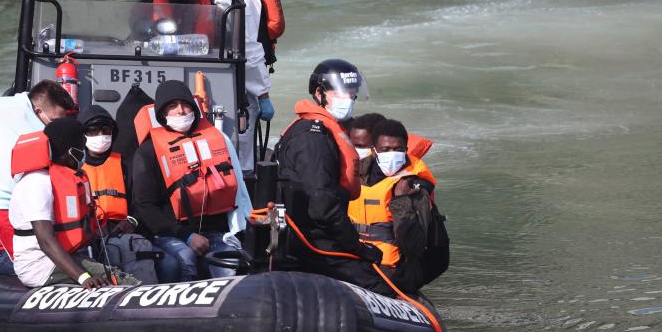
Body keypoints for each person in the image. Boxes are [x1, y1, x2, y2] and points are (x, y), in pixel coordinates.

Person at [275, 59, 388, 292]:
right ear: (319, 94)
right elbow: (322, 206)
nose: (347, 98)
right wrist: (356, 247)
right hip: (312, 242)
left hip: (316, 233)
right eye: (340, 92)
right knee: (381, 287)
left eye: (351, 92)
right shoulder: (312, 139)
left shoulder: (321, 129)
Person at [130, 80, 252, 282]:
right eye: (172, 106)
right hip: (173, 234)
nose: (180, 111)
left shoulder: (219, 140)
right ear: (162, 114)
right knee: (184, 260)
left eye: (185, 104)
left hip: (217, 231)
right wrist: (186, 235)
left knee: (230, 264)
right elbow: (145, 206)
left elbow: (239, 190)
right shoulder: (147, 152)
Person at [204, 0, 284, 172]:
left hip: (223, 76)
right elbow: (247, 46)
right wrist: (262, 94)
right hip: (237, 85)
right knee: (242, 149)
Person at [0, 80, 75, 276]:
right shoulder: (29, 137)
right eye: (55, 121)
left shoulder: (6, 105)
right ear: (37, 113)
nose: (58, 128)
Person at [8, 118, 114, 289]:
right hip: (41, 266)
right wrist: (84, 278)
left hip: (68, 255)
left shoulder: (62, 177)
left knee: (116, 269)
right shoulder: (36, 183)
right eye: (81, 148)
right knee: (119, 280)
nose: (84, 152)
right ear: (69, 151)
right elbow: (46, 242)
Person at [348, 118, 440, 294]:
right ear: (375, 151)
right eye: (386, 149)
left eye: (398, 149)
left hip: (395, 270)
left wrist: (401, 201)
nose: (392, 154)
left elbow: (414, 247)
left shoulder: (415, 188)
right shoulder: (356, 176)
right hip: (357, 260)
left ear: (406, 150)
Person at [78, 105, 165, 284]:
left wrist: (131, 221)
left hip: (123, 233)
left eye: (106, 130)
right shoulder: (75, 168)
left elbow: (141, 202)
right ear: (83, 135)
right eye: (93, 130)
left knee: (170, 265)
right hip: (89, 238)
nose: (100, 135)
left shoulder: (126, 165)